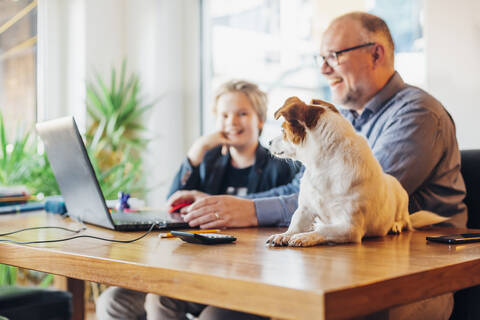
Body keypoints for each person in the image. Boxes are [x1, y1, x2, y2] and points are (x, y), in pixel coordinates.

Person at [165, 11, 466, 319]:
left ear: (376, 53)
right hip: (346, 266)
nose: (323, 68)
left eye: (334, 56)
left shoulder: (417, 115)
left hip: (410, 280)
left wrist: (248, 211)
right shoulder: (343, 119)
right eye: (320, 57)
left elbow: (351, 194)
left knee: (223, 315)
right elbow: (304, 190)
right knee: (169, 299)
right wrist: (231, 205)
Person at [96, 80, 301, 320]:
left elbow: (290, 207)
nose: (232, 122)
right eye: (224, 115)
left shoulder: (282, 164)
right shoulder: (211, 161)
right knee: (113, 300)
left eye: (242, 114)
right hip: (201, 268)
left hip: (250, 273)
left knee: (171, 303)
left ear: (259, 120)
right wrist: (197, 151)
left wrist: (220, 203)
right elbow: (173, 202)